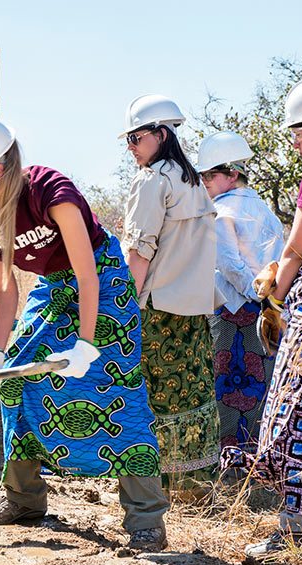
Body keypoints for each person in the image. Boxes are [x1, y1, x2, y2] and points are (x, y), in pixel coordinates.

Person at [0, 112, 170, 551]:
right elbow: (5, 287)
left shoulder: (50, 189)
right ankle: (24, 501)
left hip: (103, 283)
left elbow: (88, 275)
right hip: (52, 286)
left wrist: (86, 345)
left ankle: (146, 519)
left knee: (113, 385)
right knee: (13, 378)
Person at [222, 74, 302, 558]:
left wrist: (272, 300)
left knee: (294, 415)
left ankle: (297, 528)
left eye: (301, 131)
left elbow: (295, 249)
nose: (296, 142)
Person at [120, 94, 221, 492]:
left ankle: (155, 490)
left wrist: (124, 308)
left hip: (156, 311)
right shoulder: (193, 179)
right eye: (127, 139)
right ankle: (195, 486)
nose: (130, 147)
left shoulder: (152, 180)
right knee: (192, 398)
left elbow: (140, 253)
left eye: (135, 137)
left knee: (151, 400)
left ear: (161, 134)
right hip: (194, 312)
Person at [196, 131, 283, 455]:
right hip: (266, 312)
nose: (204, 180)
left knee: (226, 386)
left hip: (232, 312)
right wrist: (268, 299)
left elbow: (229, 264)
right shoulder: (265, 210)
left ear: (233, 173)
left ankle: (230, 463)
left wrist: (254, 293)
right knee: (259, 384)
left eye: (210, 173)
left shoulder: (220, 211)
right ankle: (255, 460)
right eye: (202, 174)